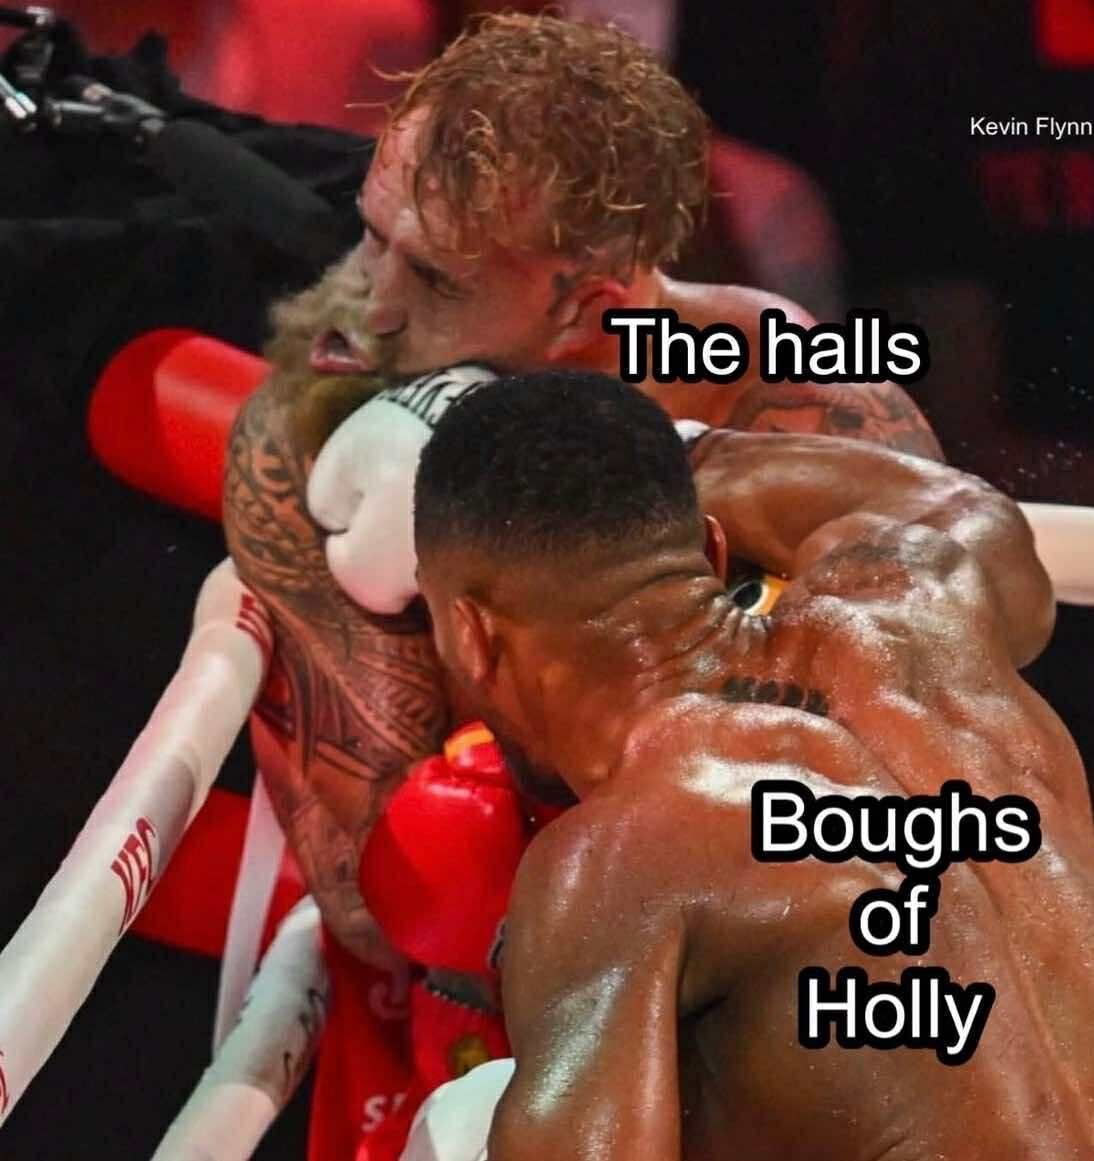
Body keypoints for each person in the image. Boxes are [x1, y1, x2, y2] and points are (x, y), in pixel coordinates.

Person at [221, 13, 940, 1152]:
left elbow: (920, 799)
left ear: (594, 310)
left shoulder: (808, 408)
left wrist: (621, 500)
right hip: (476, 1040)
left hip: (784, 1030)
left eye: (434, 276)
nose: (373, 303)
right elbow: (381, 885)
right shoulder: (315, 423)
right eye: (372, 236)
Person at [408, 370, 1094, 1160]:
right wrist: (694, 453)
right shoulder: (925, 625)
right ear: (714, 549)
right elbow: (972, 512)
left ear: (470, 636)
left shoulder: (618, 859)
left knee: (461, 1124)